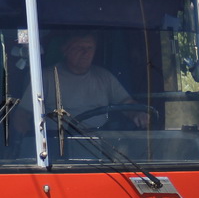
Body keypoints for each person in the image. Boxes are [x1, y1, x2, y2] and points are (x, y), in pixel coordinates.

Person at [16, 31, 149, 132]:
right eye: (79, 48)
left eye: (90, 48)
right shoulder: (46, 77)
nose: (85, 53)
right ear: (65, 50)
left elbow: (126, 103)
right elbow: (21, 117)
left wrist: (138, 114)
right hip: (58, 148)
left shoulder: (104, 76)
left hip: (101, 148)